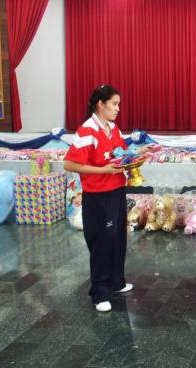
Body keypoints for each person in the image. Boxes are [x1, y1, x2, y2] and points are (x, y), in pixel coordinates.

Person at [64, 85, 143, 312]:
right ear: (101, 104)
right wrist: (102, 171)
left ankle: (117, 282)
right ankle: (100, 293)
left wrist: (140, 153)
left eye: (118, 104)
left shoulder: (113, 128)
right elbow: (69, 164)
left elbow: (122, 155)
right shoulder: (87, 131)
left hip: (117, 190)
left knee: (118, 238)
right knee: (102, 242)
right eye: (114, 104)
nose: (118, 109)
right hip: (98, 195)